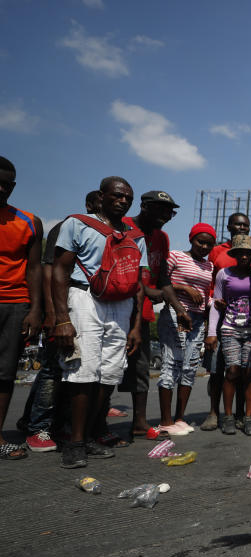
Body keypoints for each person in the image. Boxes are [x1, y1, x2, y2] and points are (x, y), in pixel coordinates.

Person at [52, 176, 146, 468]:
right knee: (83, 372)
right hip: (84, 299)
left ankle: (91, 434)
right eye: (118, 196)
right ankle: (75, 442)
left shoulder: (136, 236)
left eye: (128, 198)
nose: (123, 201)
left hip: (122, 306)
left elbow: (140, 283)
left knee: (109, 374)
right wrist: (61, 318)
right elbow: (59, 271)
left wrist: (136, 325)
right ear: (102, 196)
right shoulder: (77, 223)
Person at [20, 194, 99, 452]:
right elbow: (49, 271)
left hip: (83, 309)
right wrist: (54, 314)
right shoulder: (70, 225)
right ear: (89, 205)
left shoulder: (107, 233)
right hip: (62, 311)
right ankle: (39, 428)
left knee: (70, 371)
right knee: (53, 370)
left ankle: (38, 422)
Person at [119, 190, 190, 444]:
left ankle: (139, 423)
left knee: (139, 370)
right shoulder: (123, 227)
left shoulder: (162, 238)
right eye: (161, 210)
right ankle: (94, 425)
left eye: (170, 212)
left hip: (142, 313)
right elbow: (125, 273)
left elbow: (163, 280)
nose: (166, 216)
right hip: (116, 308)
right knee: (106, 370)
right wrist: (151, 291)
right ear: (145, 207)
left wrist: (180, 309)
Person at [0, 156, 43, 461]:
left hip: (14, 303)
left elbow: (35, 269)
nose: (1, 188)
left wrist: (35, 310)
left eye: (7, 184)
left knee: (4, 375)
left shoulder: (28, 221)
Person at [157, 223, 216, 432]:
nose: (204, 246)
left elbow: (205, 294)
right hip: (176, 314)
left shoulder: (209, 266)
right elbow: (159, 282)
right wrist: (184, 287)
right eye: (200, 241)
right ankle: (165, 421)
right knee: (172, 364)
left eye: (209, 244)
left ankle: (180, 418)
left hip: (198, 318)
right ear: (191, 239)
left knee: (190, 368)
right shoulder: (175, 256)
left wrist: (214, 306)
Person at [199, 212, 251, 431]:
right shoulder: (216, 251)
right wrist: (211, 306)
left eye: (245, 225)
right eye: (237, 224)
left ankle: (239, 414)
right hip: (218, 314)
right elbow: (207, 281)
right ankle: (213, 413)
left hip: (244, 319)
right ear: (229, 226)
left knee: (240, 369)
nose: (241, 228)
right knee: (216, 368)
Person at [208, 234, 251, 436]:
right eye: (239, 253)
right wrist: (211, 332)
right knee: (232, 371)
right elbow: (216, 303)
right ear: (234, 254)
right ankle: (229, 417)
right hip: (230, 328)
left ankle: (248, 418)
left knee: (249, 373)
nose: (243, 256)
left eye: (247, 253)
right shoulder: (224, 274)